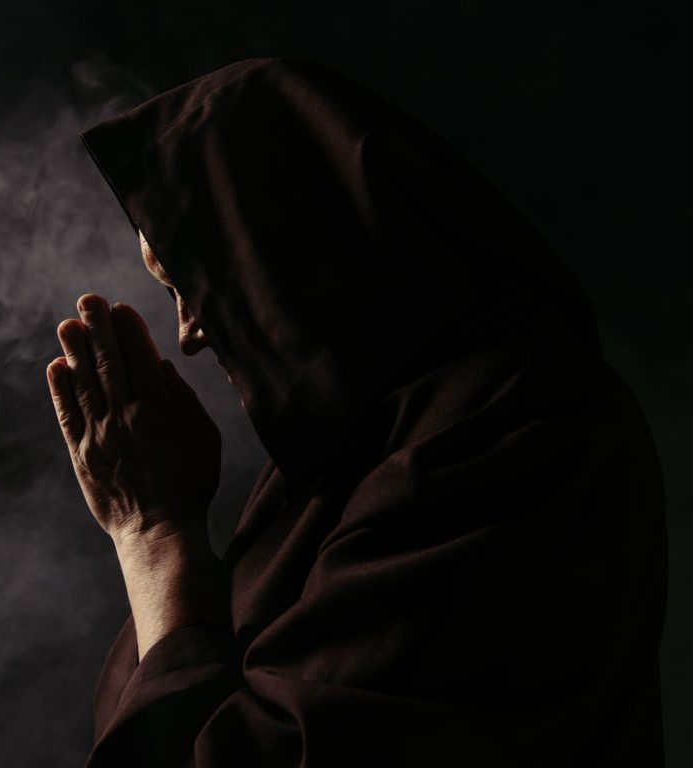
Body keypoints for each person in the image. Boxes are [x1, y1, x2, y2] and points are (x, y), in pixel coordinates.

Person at [46, 58, 667, 766]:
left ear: (290, 234)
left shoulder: (510, 428)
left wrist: (154, 532)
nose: (188, 333)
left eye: (195, 281)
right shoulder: (339, 461)